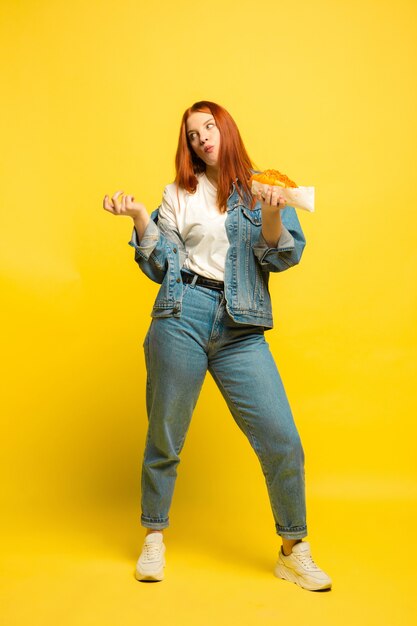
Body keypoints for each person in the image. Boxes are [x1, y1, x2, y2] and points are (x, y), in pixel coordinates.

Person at [102, 101, 332, 591]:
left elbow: (278, 257)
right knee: (166, 434)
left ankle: (294, 550)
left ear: (226, 130)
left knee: (282, 439)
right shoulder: (177, 195)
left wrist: (272, 212)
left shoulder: (264, 185)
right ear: (187, 146)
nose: (202, 138)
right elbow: (160, 264)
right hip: (181, 314)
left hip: (240, 327)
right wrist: (141, 217)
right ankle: (154, 536)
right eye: (192, 134)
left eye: (209, 127)